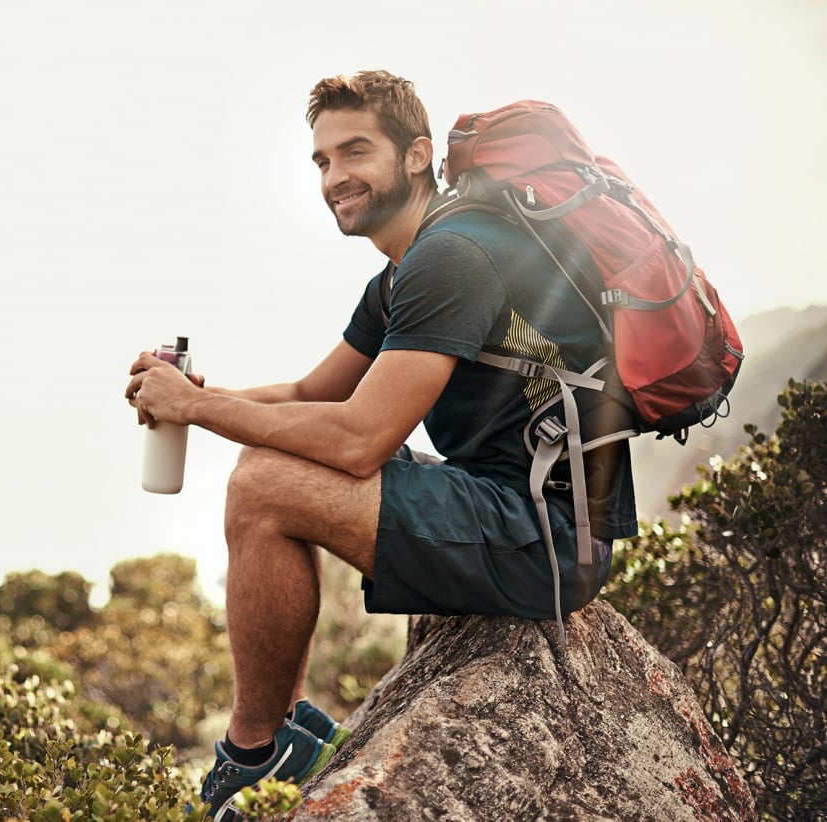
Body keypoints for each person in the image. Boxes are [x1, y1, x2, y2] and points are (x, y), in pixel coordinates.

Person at [124, 70, 637, 820]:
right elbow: (310, 397)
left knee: (263, 484)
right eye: (322, 161)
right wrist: (198, 396)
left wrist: (198, 411)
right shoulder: (405, 271)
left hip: (547, 543)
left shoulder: (454, 255)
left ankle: (254, 752)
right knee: (266, 464)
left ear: (414, 155)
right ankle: (285, 736)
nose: (335, 177)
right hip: (512, 511)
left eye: (354, 151)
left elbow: (360, 438)